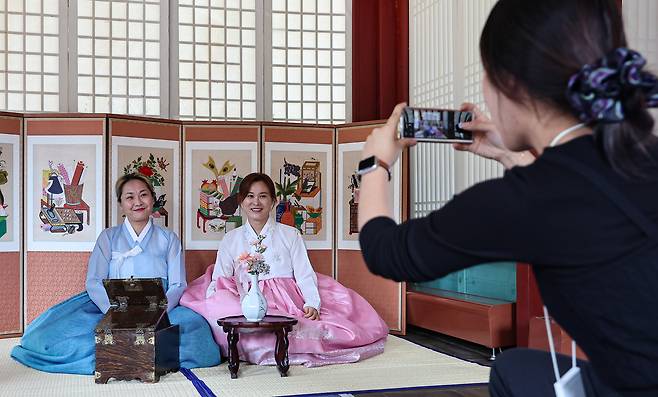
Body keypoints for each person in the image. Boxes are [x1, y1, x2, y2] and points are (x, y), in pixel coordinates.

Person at [357, 0, 658, 396]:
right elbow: (573, 197)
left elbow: (385, 250)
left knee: (512, 371)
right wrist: (508, 153)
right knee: (516, 368)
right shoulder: (639, 151)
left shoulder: (526, 200)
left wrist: (374, 164)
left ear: (510, 84)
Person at [11, 173, 220, 374]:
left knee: (196, 329)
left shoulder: (168, 238)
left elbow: (178, 284)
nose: (137, 201)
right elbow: (93, 281)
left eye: (144, 194)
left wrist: (157, 310)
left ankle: (126, 355)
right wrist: (114, 310)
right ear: (121, 204)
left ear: (153, 199)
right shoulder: (108, 237)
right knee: (52, 334)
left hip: (160, 304)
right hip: (113, 302)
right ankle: (141, 356)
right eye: (129, 197)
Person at [181, 172, 388, 367]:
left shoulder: (291, 235)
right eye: (250, 196)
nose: (256, 202)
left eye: (263, 196)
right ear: (241, 202)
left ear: (273, 201)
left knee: (311, 328)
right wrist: (213, 301)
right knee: (228, 314)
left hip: (287, 299)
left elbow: (304, 273)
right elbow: (220, 277)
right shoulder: (231, 239)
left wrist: (312, 303)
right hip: (246, 298)